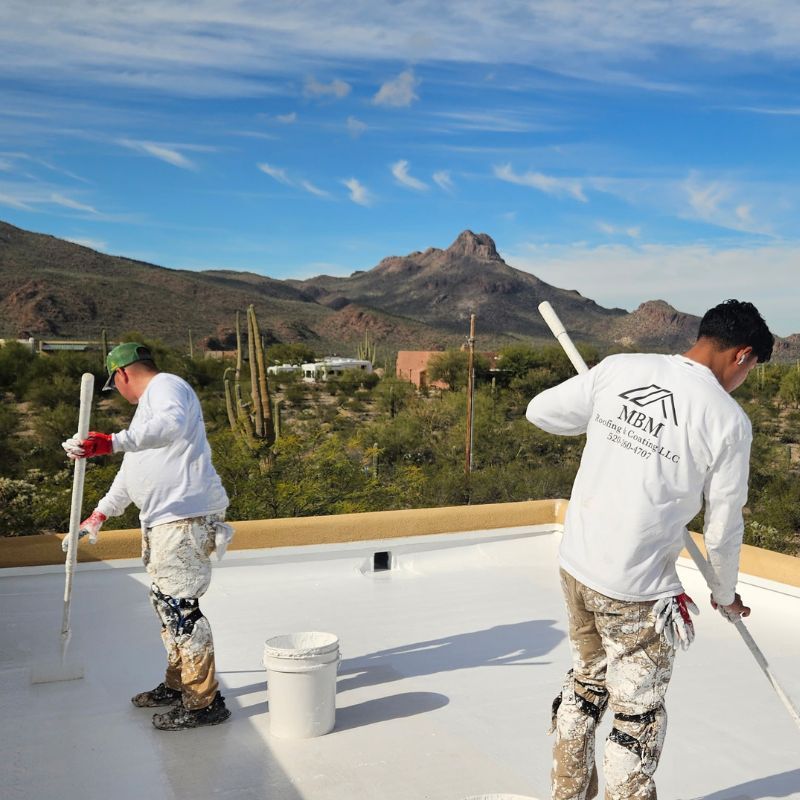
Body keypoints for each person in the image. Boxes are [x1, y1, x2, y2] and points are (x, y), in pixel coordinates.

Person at [525, 300, 774, 800]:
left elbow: (540, 411)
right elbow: (724, 527)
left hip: (577, 568)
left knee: (585, 685)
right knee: (635, 716)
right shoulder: (727, 420)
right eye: (751, 370)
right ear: (743, 355)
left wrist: (604, 421)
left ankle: (567, 793)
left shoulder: (622, 368)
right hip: (636, 591)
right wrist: (725, 594)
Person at [62, 342, 234, 731]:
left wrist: (112, 440)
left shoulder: (167, 387)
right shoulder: (146, 413)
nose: (118, 392)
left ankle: (205, 703)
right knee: (166, 606)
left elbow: (169, 425)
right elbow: (132, 471)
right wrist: (102, 511)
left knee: (181, 610)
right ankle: (179, 686)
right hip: (163, 522)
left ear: (121, 374)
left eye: (115, 385)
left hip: (185, 517)